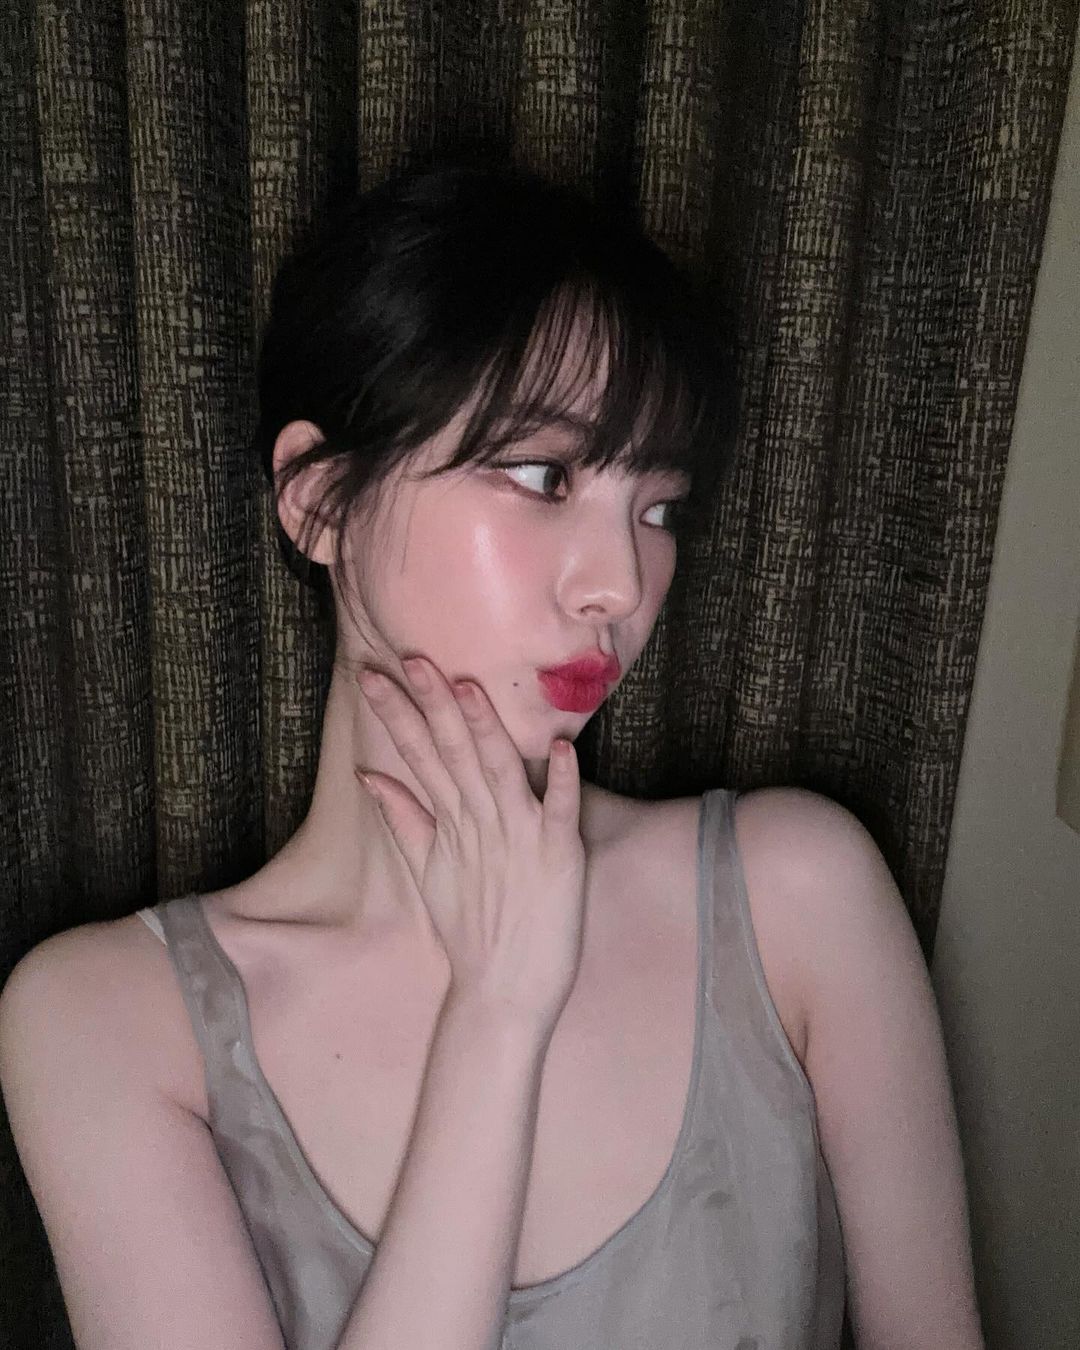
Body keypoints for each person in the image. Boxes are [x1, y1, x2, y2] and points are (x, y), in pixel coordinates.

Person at [0, 165, 984, 1350]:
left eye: (658, 508)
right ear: (319, 501)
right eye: (542, 474)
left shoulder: (798, 895)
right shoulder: (105, 1021)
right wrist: (498, 1017)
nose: (619, 586)